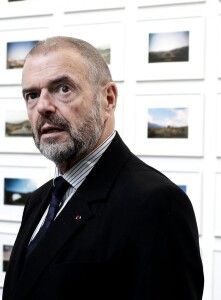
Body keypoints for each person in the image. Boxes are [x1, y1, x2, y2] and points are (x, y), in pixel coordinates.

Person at [2, 36, 204, 300]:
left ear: (108, 99)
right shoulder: (40, 200)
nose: (43, 106)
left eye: (63, 88)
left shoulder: (155, 202)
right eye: (32, 95)